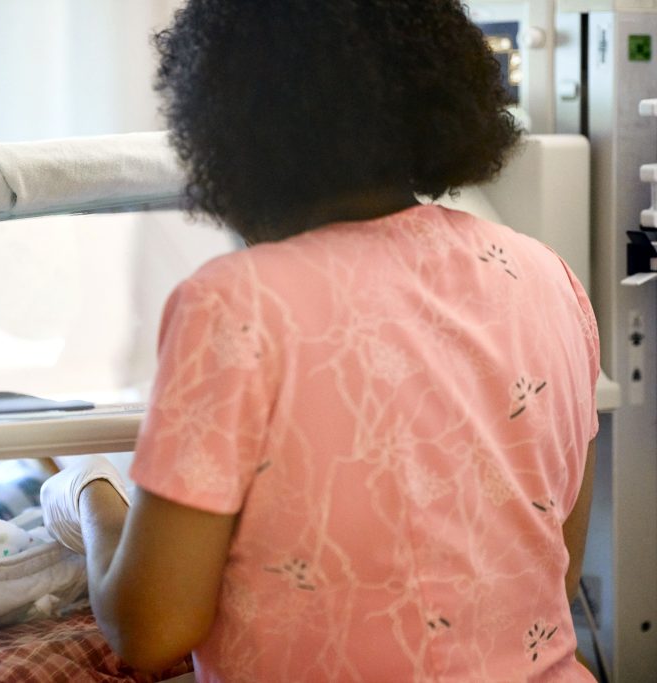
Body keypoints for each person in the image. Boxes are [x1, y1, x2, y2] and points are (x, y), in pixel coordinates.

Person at [41, 1, 599, 681]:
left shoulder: (234, 303)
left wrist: (88, 494)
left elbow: (151, 627)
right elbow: (556, 576)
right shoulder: (546, 276)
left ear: (228, 127)